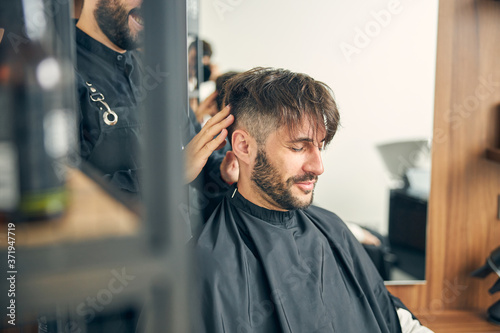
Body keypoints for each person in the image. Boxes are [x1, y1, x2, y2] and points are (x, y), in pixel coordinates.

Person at [193, 68, 433, 332]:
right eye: (298, 147)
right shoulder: (208, 267)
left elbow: (391, 316)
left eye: (320, 146)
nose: (318, 167)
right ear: (244, 147)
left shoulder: (332, 228)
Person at [74, 0, 235, 207]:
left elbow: (193, 155)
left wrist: (222, 172)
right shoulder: (54, 73)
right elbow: (71, 195)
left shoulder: (158, 72)